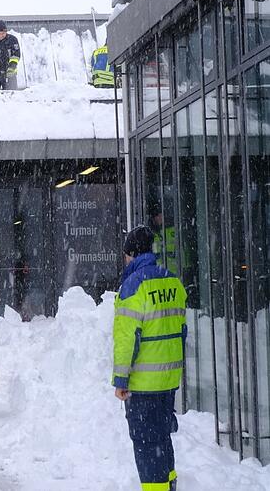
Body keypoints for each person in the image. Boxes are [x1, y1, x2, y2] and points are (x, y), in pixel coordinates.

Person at [113, 225, 186, 491]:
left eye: (125, 254)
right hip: (168, 378)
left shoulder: (133, 286)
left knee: (145, 443)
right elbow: (181, 329)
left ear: (131, 254)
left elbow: (126, 339)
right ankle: (169, 484)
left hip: (144, 381)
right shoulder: (172, 281)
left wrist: (121, 379)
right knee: (162, 437)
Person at [147, 204, 179, 274]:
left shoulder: (173, 229)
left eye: (160, 215)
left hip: (175, 272)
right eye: (157, 216)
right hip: (160, 274)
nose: (159, 217)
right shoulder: (151, 234)